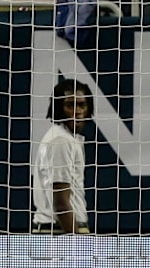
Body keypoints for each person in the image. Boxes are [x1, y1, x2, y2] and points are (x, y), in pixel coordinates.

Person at [32, 79, 93, 235]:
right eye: (70, 105)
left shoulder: (65, 138)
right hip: (58, 233)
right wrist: (75, 244)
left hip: (58, 231)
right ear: (59, 108)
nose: (77, 111)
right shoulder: (61, 141)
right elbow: (61, 202)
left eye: (82, 105)